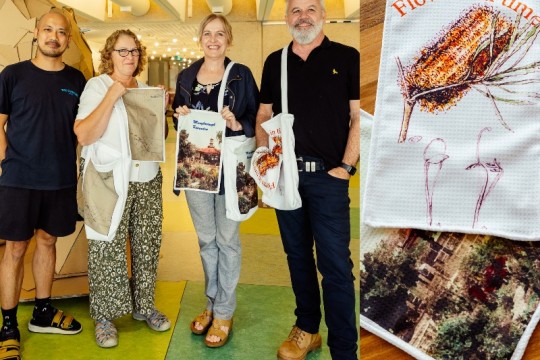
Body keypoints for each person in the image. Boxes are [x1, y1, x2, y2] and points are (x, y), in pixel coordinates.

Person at [255, 0, 359, 359]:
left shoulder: (348, 57)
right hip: (286, 177)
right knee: (297, 256)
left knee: (335, 267)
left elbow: (358, 117)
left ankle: (344, 350)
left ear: (323, 15)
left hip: (329, 178)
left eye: (311, 8)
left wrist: (345, 167)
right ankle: (307, 329)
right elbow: (264, 116)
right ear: (286, 18)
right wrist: (266, 171)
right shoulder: (275, 62)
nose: (303, 16)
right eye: (296, 10)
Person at [73, 29, 170, 348]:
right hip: (108, 179)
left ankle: (145, 306)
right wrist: (112, 96)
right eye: (122, 51)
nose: (129, 57)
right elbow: (84, 134)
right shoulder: (96, 86)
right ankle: (104, 317)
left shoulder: (144, 89)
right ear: (109, 55)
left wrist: (161, 107)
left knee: (147, 243)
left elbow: (154, 140)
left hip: (147, 179)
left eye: (134, 52)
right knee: (106, 246)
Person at [0, 8, 86, 359]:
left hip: (60, 179)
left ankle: (42, 312)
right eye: (48, 29)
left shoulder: (77, 80)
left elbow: (85, 127)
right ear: (36, 33)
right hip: (18, 179)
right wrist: (5, 164)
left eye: (61, 32)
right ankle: (7, 326)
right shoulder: (13, 75)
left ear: (67, 38)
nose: (54, 36)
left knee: (48, 242)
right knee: (15, 249)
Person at [172, 14, 259, 348]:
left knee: (227, 240)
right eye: (207, 34)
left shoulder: (241, 75)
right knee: (206, 241)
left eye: (219, 34)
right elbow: (179, 117)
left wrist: (237, 123)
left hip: (229, 172)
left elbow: (255, 117)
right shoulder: (186, 76)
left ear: (229, 39)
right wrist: (177, 115)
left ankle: (224, 311)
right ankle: (211, 302)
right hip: (196, 170)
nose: (213, 40)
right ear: (200, 39)